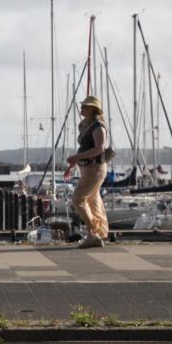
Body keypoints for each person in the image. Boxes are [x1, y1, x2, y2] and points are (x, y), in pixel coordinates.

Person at [66, 96, 110, 249]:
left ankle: (93, 234)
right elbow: (84, 148)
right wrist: (73, 163)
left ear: (92, 109)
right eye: (82, 105)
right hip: (86, 169)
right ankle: (98, 233)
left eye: (85, 106)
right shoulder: (85, 125)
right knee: (93, 202)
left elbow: (99, 149)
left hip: (95, 169)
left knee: (78, 199)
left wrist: (76, 157)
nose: (82, 108)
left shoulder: (98, 126)